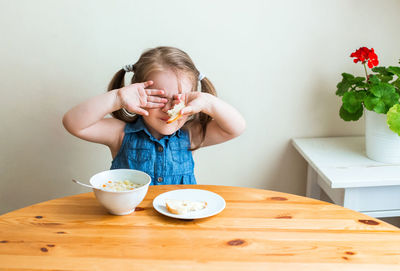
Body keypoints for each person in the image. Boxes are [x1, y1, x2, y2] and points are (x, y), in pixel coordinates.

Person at [63, 46, 246, 185]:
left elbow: (236, 128)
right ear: (138, 93)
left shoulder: (191, 134)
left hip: (179, 226)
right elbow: (74, 123)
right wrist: (118, 98)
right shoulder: (120, 134)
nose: (168, 108)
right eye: (159, 98)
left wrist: (208, 102)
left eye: (177, 100)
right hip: (129, 226)